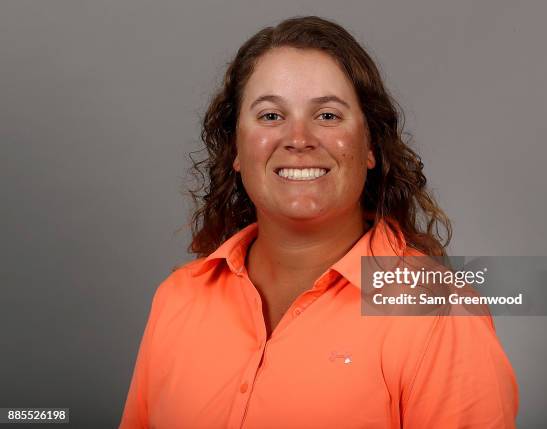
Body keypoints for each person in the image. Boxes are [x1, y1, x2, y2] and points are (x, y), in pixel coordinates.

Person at [119, 15, 518, 429]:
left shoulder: (438, 315)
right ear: (236, 148)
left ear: (370, 146)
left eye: (327, 115)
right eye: (271, 116)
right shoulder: (177, 300)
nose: (299, 138)